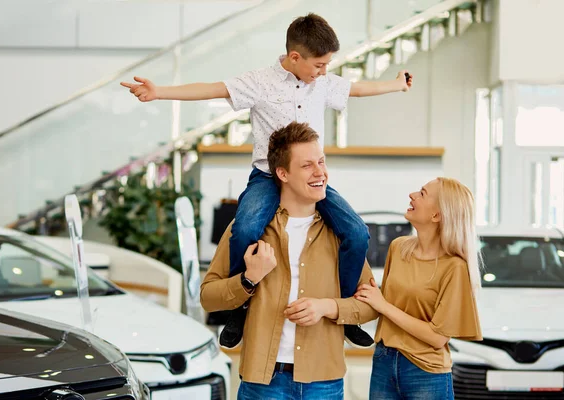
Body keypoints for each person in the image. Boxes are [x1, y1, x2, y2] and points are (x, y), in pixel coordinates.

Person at [122, 13, 413, 347]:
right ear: (294, 57)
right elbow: (212, 89)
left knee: (357, 233)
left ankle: (344, 311)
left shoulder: (323, 82)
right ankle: (240, 308)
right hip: (266, 177)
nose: (324, 71)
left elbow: (358, 89)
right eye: (319, 64)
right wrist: (159, 92)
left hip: (309, 180)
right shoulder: (260, 82)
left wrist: (397, 85)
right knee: (244, 229)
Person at [200, 121, 378, 399]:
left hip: (324, 382)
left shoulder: (341, 234)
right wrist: (248, 279)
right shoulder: (248, 229)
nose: (320, 172)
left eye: (321, 161)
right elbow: (208, 297)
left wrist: (327, 307)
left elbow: (369, 305)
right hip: (263, 382)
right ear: (282, 173)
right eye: (307, 165)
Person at [354, 177, 483, 400]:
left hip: (425, 371)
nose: (412, 195)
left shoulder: (455, 267)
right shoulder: (398, 247)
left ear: (437, 215)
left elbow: (438, 338)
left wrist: (383, 305)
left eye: (422, 194)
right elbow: (382, 300)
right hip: (384, 360)